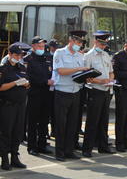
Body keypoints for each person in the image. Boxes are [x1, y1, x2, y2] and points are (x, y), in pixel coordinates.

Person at [53, 30, 88, 161]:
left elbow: (81, 73)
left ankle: (69, 150)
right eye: (78, 42)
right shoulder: (60, 53)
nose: (79, 44)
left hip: (75, 92)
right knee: (61, 124)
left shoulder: (80, 56)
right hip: (62, 92)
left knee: (72, 124)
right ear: (71, 41)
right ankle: (59, 152)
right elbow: (61, 71)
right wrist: (79, 69)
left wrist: (87, 74)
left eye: (81, 42)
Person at [82, 31, 115, 158]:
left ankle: (103, 146)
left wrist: (111, 79)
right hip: (95, 91)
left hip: (106, 90)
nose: (103, 46)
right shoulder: (88, 56)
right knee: (92, 121)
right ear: (95, 42)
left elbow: (111, 71)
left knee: (104, 120)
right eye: (101, 44)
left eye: (105, 44)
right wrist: (101, 81)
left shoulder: (106, 55)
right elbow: (86, 77)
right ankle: (87, 148)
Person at [0, 44, 29, 170]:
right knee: (6, 132)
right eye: (16, 55)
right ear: (10, 54)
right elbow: (1, 87)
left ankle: (15, 158)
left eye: (20, 55)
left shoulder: (21, 67)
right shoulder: (3, 68)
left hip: (20, 104)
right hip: (7, 105)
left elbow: (27, 84)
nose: (19, 57)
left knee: (18, 132)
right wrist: (15, 83)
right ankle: (4, 159)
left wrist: (26, 84)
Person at [24, 36, 53, 156]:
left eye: (43, 46)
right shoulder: (27, 59)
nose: (42, 48)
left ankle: (42, 145)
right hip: (34, 93)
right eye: (40, 46)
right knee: (33, 121)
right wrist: (44, 82)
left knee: (44, 121)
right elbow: (29, 77)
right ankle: (32, 147)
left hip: (46, 93)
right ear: (33, 46)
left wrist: (49, 81)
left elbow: (51, 73)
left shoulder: (46, 58)